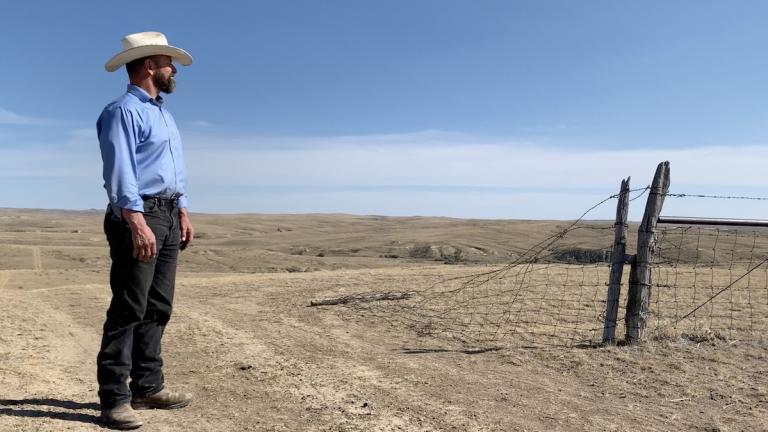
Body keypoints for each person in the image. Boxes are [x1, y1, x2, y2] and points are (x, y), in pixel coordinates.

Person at [96, 31, 195, 430]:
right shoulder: (122, 111)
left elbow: (172, 171)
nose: (174, 70)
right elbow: (120, 174)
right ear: (150, 65)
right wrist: (136, 221)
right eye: (168, 63)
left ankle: (148, 386)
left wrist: (183, 210)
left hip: (169, 214)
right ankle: (114, 399)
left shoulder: (163, 113)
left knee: (159, 306)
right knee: (129, 307)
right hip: (140, 216)